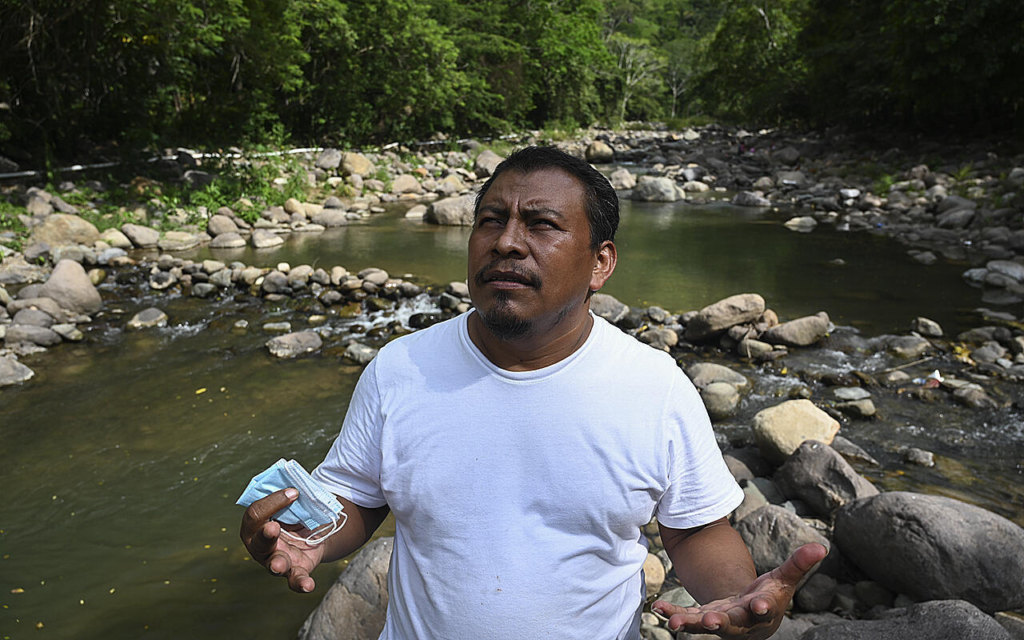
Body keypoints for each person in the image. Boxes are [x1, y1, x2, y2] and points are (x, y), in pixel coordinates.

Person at [240, 146, 827, 639]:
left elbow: (695, 528)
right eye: (491, 220)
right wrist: (298, 536)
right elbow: (359, 500)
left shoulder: (653, 386)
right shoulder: (401, 369)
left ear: (601, 263)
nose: (506, 243)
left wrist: (733, 601)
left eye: (541, 224)